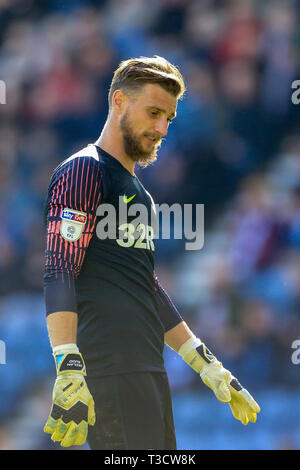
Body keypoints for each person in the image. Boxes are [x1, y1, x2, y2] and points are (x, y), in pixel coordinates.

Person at [43, 56, 260, 450]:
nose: (162, 129)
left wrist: (204, 362)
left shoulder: (140, 194)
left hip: (147, 371)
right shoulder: (83, 171)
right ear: (119, 101)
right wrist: (68, 365)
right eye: (154, 113)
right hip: (111, 371)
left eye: (170, 119)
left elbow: (144, 284)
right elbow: (59, 267)